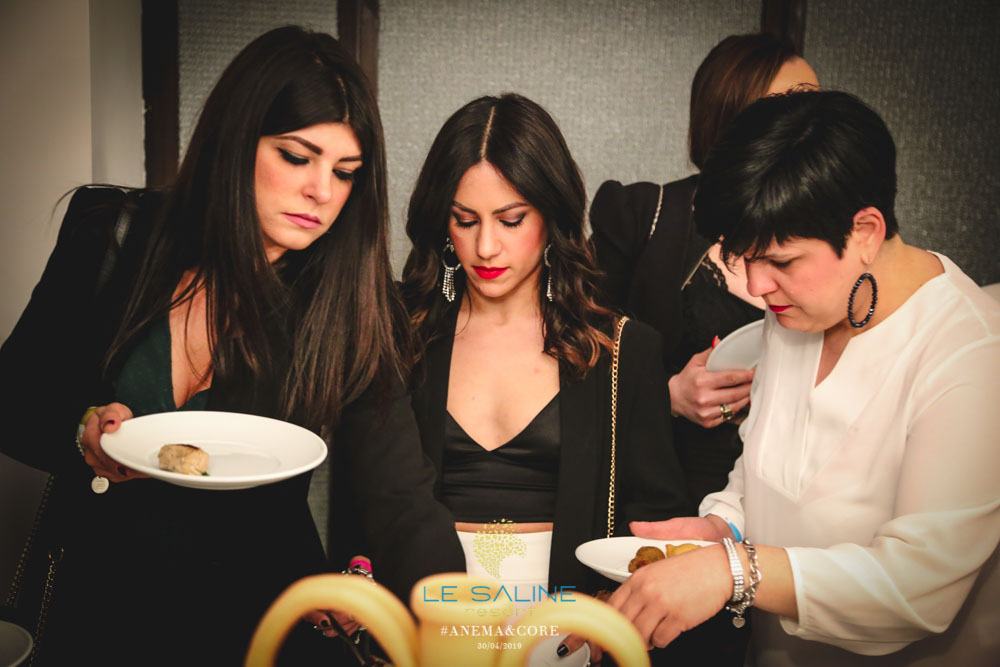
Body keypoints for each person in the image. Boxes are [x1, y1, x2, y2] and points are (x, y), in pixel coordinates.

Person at [0, 26, 463, 665]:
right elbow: (14, 398)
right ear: (235, 139)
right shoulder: (113, 236)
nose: (323, 192)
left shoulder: (350, 300)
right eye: (296, 157)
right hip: (96, 606)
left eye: (345, 173)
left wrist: (462, 622)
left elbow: (401, 498)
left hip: (256, 624)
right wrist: (83, 432)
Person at [602, 90, 1000, 666]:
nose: (756, 286)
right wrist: (723, 528)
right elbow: (763, 470)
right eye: (744, 259)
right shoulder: (799, 311)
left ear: (865, 232)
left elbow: (917, 586)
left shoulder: (969, 352)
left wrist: (733, 570)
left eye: (781, 261)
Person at [399, 93, 704, 663]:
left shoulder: (622, 350)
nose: (486, 247)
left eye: (511, 220)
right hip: (427, 625)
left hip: (564, 635)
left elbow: (656, 521)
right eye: (465, 220)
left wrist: (616, 603)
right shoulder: (399, 336)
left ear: (553, 216)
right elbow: (365, 500)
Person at [589, 33, 819, 508]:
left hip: (790, 499)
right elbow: (566, 355)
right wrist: (666, 395)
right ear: (731, 119)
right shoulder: (644, 216)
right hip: (667, 495)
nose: (815, 127)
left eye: (819, 107)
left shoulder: (838, 235)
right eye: (793, 108)